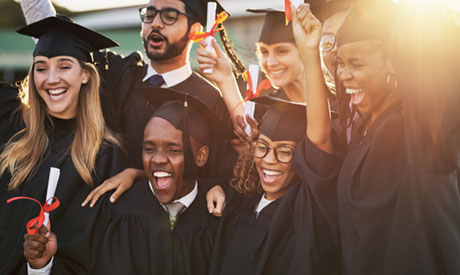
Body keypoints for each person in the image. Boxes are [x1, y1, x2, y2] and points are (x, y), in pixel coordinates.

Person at [295, 1, 460, 274]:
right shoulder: (366, 130)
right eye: (340, 63)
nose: (343, 74)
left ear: (395, 64)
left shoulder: (417, 135)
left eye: (356, 64)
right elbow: (319, 145)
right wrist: (309, 52)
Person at [19, 0, 241, 201]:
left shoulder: (209, 99)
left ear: (195, 31)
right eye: (149, 15)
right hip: (99, 220)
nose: (155, 24)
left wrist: (226, 80)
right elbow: (57, 34)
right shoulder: (117, 74)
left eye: (169, 16)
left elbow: (220, 174)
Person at [0, 16, 128, 274]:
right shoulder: (13, 133)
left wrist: (43, 267)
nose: (51, 79)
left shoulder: (105, 157)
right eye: (41, 67)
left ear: (85, 76)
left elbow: (96, 255)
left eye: (64, 66)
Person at [206, 96, 340, 275]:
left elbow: (321, 146)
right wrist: (215, 186)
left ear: (303, 159)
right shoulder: (241, 203)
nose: (269, 160)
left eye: (285, 151)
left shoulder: (307, 216)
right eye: (262, 147)